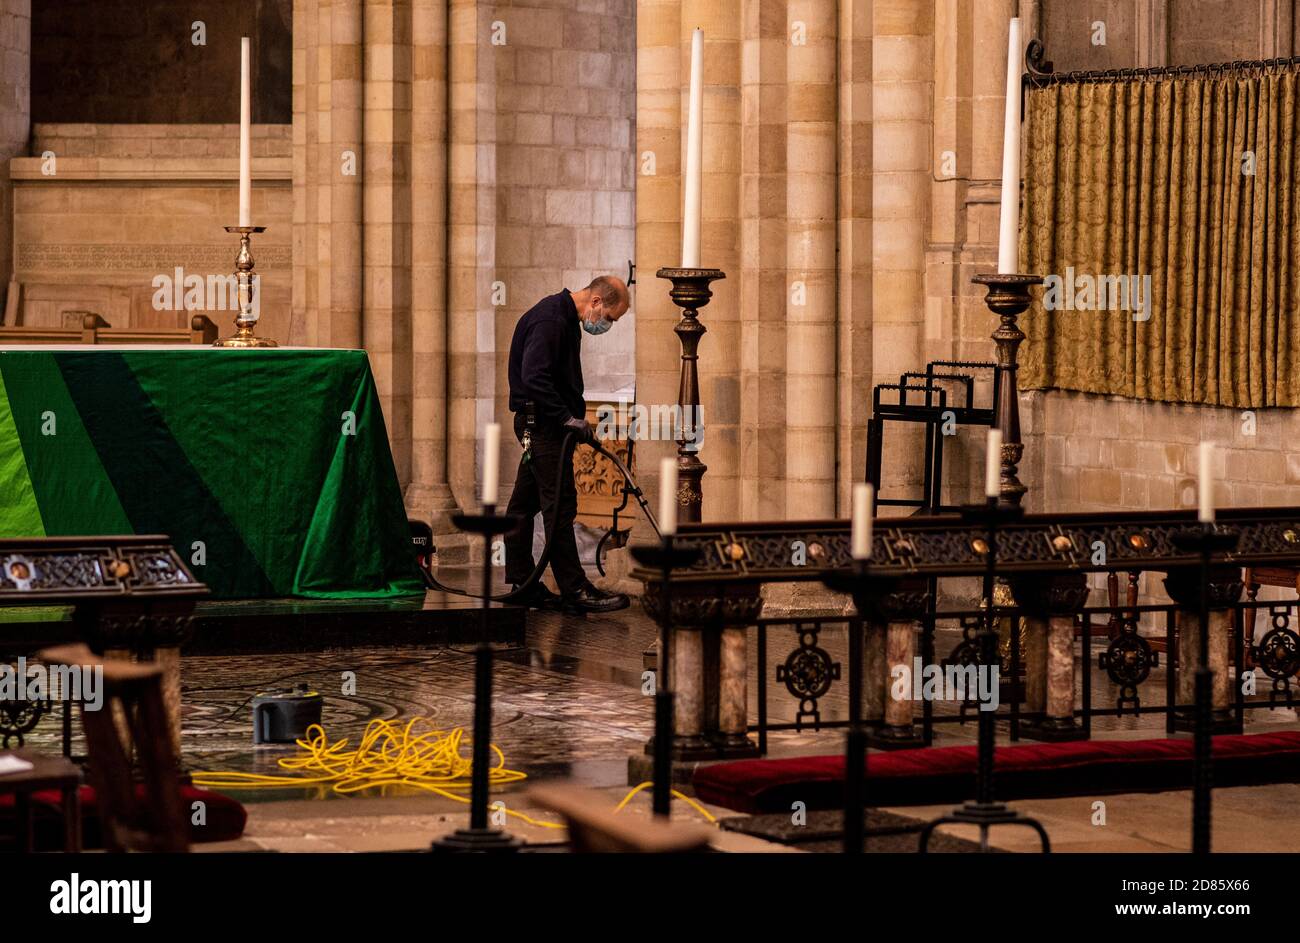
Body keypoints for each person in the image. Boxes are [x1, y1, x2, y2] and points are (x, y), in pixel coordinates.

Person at [504, 275, 632, 614]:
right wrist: (566, 418)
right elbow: (535, 377)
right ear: (596, 303)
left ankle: (521, 582)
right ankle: (575, 589)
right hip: (544, 426)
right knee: (559, 505)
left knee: (523, 505)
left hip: (547, 425)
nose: (607, 325)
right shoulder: (551, 320)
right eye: (610, 318)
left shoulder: (562, 317)